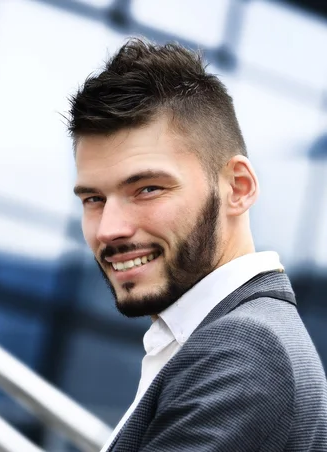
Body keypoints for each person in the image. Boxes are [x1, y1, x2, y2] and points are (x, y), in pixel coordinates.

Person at [68, 38, 327, 451]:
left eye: (147, 188)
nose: (108, 230)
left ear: (237, 188)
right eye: (93, 199)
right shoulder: (211, 338)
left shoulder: (246, 352)